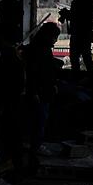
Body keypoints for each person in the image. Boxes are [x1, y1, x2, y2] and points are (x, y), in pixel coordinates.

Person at [20, 22, 62, 152]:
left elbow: (47, 71)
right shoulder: (39, 51)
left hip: (43, 91)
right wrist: (34, 93)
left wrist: (53, 84)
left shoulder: (41, 49)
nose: (55, 40)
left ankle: (31, 144)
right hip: (40, 92)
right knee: (39, 121)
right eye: (54, 37)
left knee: (37, 120)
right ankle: (35, 147)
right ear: (48, 36)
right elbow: (33, 74)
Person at [59, 0, 93, 73]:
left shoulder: (76, 2)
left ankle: (78, 77)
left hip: (79, 33)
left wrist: (68, 14)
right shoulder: (91, 1)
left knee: (75, 58)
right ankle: (91, 77)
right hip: (85, 33)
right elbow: (87, 17)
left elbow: (78, 17)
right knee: (85, 57)